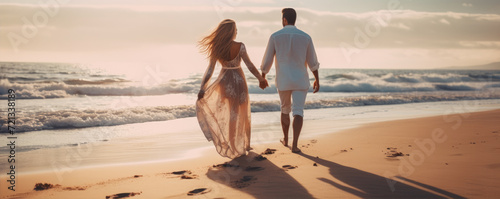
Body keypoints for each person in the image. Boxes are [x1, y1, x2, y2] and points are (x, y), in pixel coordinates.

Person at [196, 19, 269, 159]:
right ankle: (242, 144)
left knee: (231, 114)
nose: (237, 32)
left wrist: (202, 88)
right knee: (241, 113)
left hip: (225, 82)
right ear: (231, 32)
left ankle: (233, 145)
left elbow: (210, 70)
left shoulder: (217, 47)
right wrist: (260, 78)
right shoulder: (240, 46)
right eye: (235, 30)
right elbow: (250, 65)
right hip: (239, 81)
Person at [260, 8, 320, 153]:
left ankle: (286, 139)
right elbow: (313, 62)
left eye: (282, 19)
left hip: (283, 80)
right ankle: (295, 145)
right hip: (300, 80)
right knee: (298, 111)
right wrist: (317, 80)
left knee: (284, 109)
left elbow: (267, 60)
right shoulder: (306, 37)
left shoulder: (275, 36)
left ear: (285, 20)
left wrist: (263, 76)